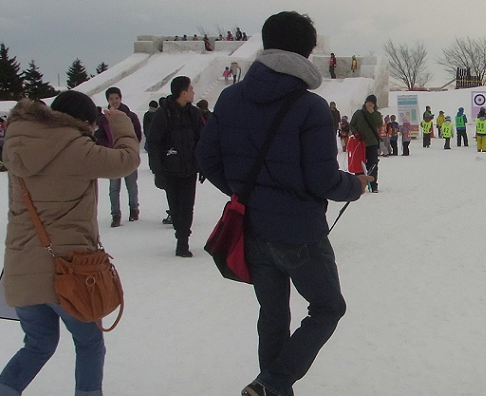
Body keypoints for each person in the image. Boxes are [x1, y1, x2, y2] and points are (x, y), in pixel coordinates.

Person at [196, 11, 372, 396]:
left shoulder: (230, 97)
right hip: (299, 232)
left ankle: (269, 388)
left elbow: (207, 158)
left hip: (253, 227)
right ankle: (273, 384)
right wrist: (355, 186)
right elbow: (323, 180)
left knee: (273, 314)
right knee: (328, 308)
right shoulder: (310, 107)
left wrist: (244, 191)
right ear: (307, 52)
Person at [0, 91, 140, 396]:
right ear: (82, 122)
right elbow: (126, 160)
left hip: (21, 269)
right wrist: (120, 122)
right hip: (67, 270)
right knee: (89, 342)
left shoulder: (20, 143)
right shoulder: (75, 148)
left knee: (38, 344)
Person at [147, 76, 203, 257]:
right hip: (170, 171)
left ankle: (183, 241)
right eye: (191, 89)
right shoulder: (163, 114)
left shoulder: (194, 113)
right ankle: (180, 234)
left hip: (189, 170)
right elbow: (153, 144)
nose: (193, 92)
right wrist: (157, 172)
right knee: (176, 206)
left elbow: (202, 140)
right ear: (183, 93)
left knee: (187, 207)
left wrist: (203, 166)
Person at [96, 87, 142, 227]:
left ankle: (134, 209)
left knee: (131, 185)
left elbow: (137, 134)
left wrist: (131, 147)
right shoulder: (103, 119)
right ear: (108, 100)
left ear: (120, 98)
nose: (114, 101)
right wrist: (108, 147)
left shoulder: (130, 116)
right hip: (112, 155)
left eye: (116, 98)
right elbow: (100, 137)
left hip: (128, 154)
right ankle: (115, 214)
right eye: (111, 99)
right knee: (114, 188)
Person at [351, 94, 383, 192]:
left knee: (372, 164)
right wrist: (356, 133)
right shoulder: (358, 113)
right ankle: (359, 184)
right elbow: (352, 125)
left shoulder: (376, 114)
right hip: (360, 143)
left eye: (372, 103)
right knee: (359, 164)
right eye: (368, 102)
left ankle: (373, 185)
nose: (370, 104)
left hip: (372, 143)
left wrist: (372, 113)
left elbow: (379, 124)